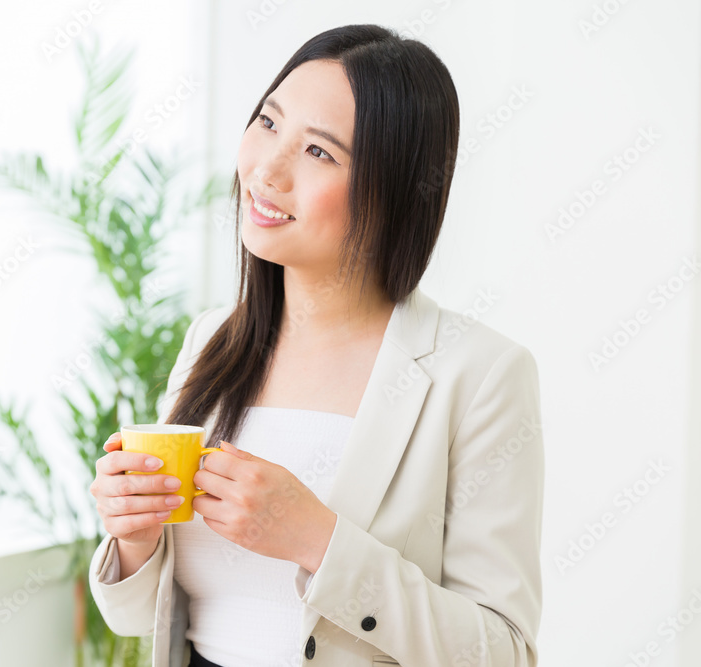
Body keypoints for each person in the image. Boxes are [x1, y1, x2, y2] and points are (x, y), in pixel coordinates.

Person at [88, 23, 543, 667]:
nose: (268, 170)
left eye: (319, 153)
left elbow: (504, 651)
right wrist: (134, 534)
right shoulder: (211, 342)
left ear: (393, 190)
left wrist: (317, 540)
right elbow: (144, 616)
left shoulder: (481, 375)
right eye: (269, 123)